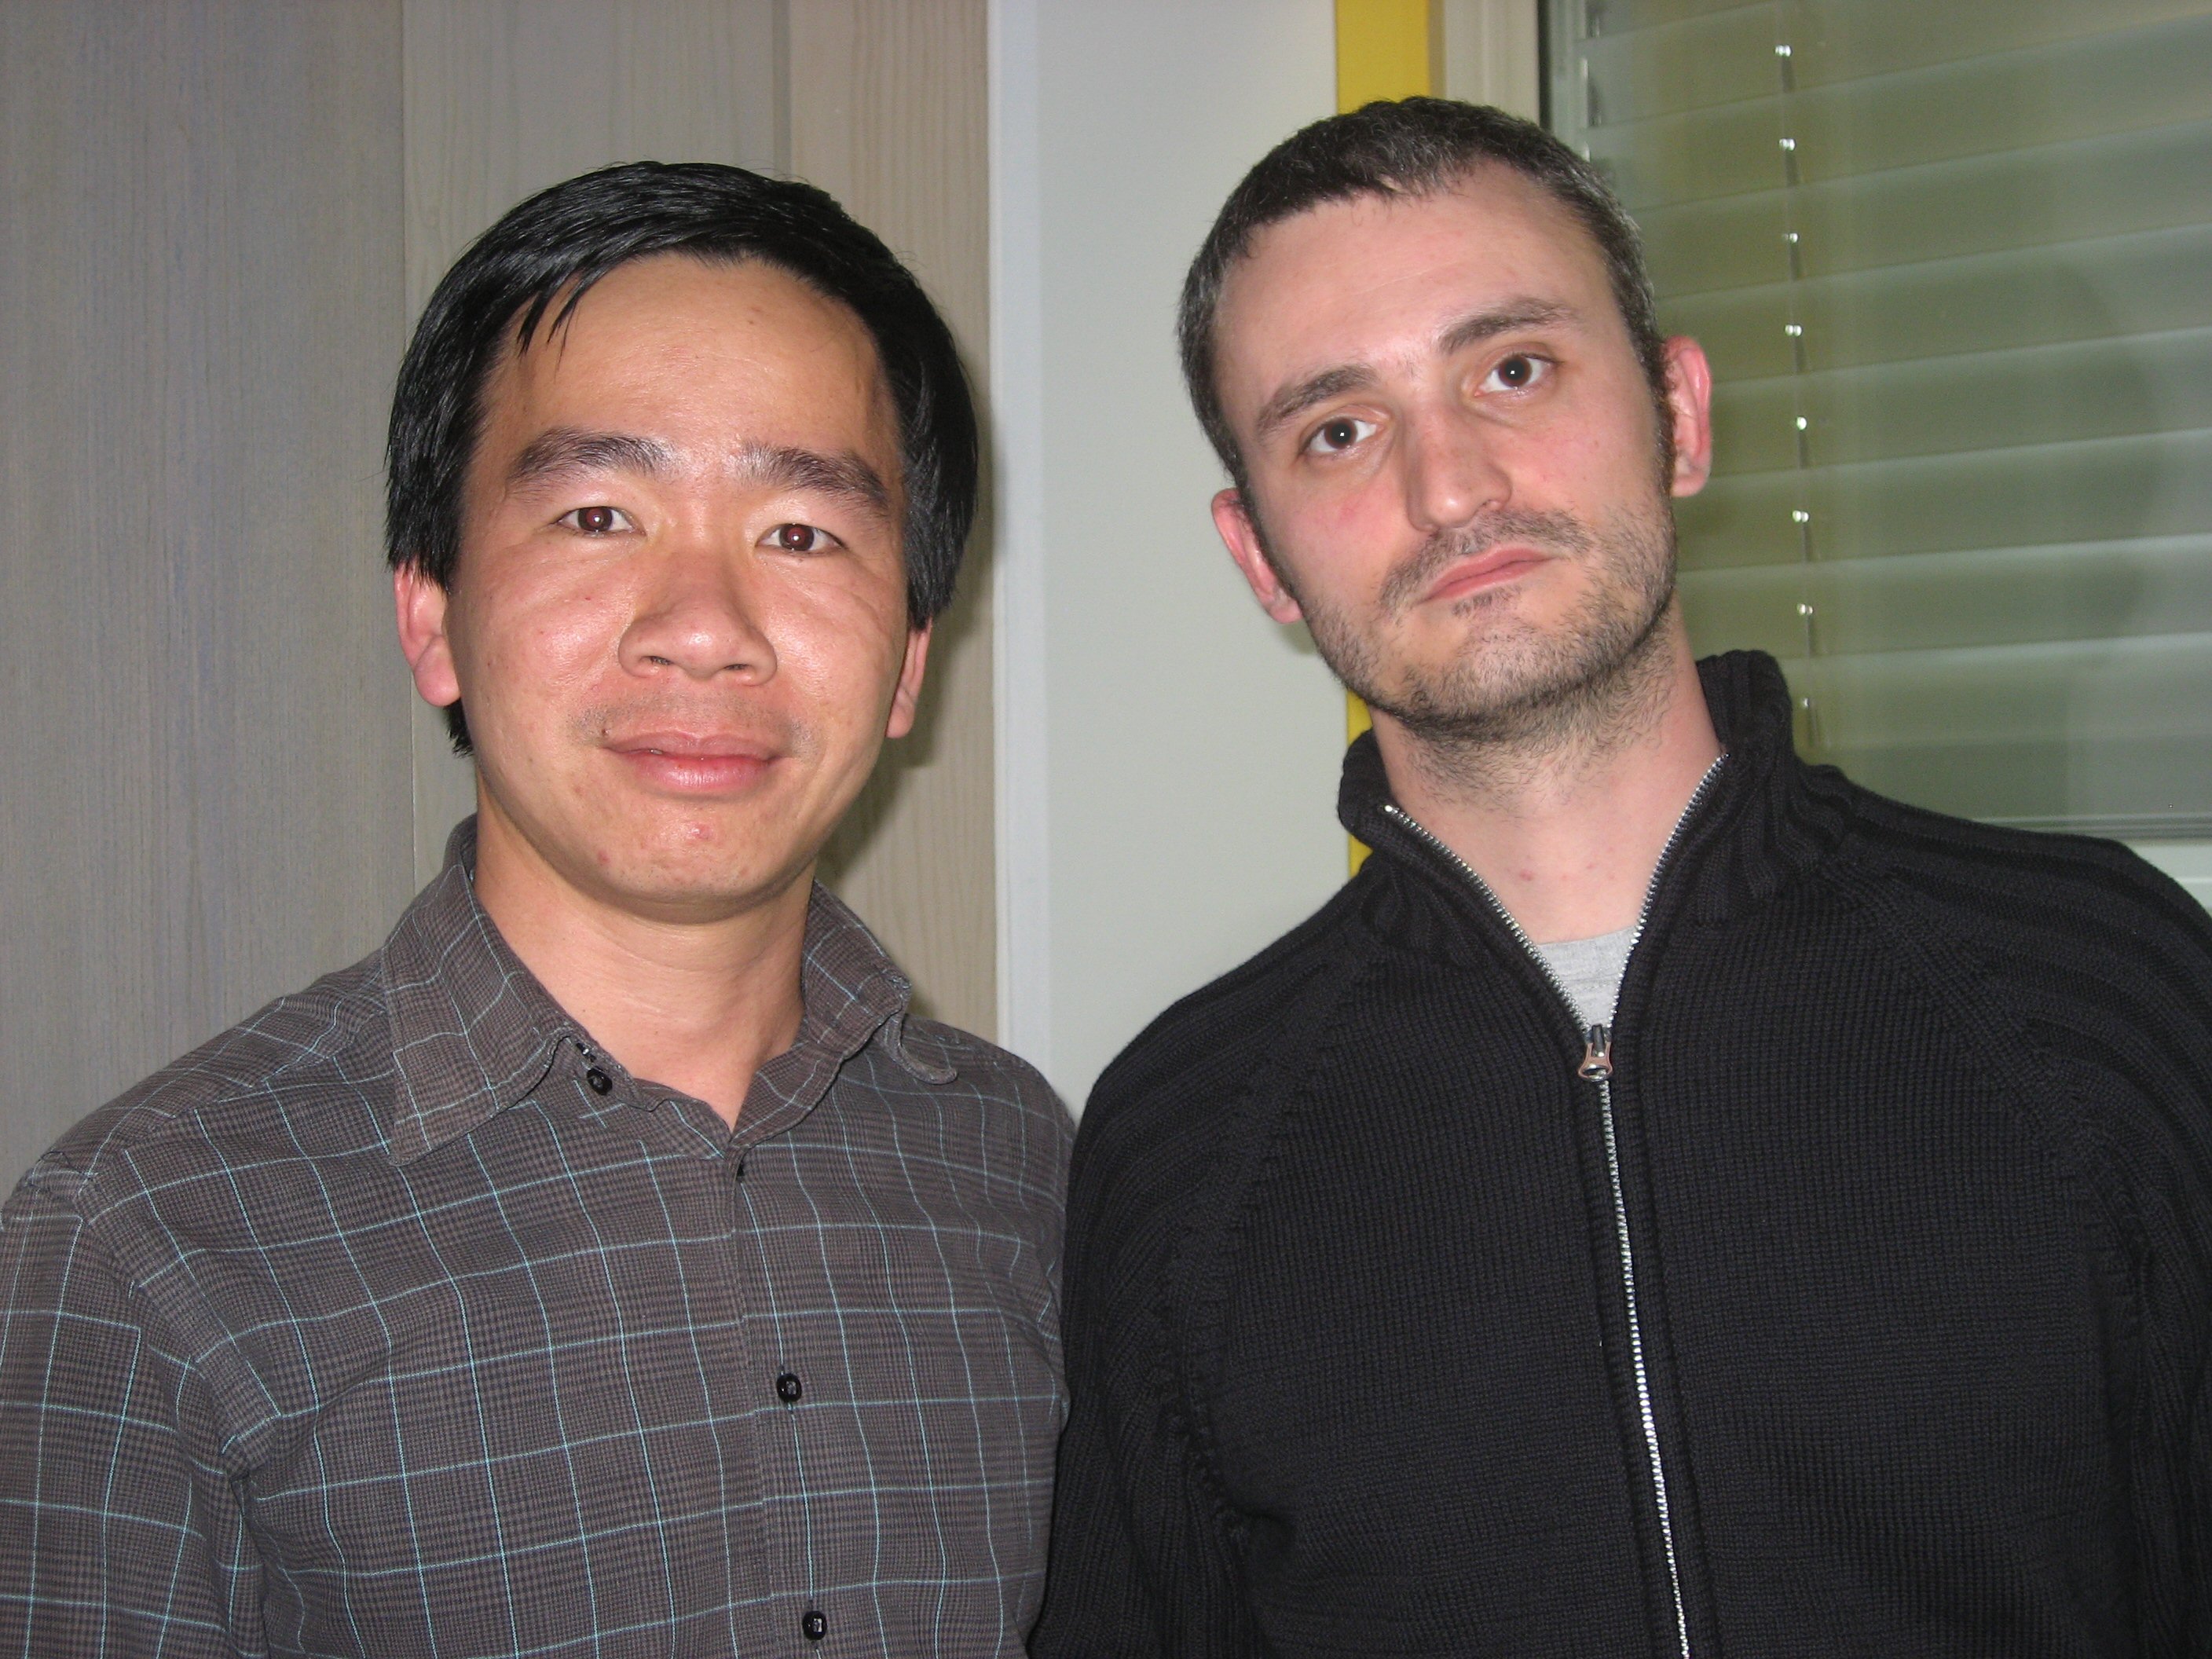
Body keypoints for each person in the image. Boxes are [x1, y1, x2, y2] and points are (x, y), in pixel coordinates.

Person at [1033, 98, 2212, 1657]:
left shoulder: (2105, 986)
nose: (1451, 488)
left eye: (1513, 369)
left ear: (1679, 415)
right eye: (1338, 430)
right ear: (1260, 557)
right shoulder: (1180, 1149)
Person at [0, 162, 1069, 1657]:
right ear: (431, 614)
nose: (704, 629)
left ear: (906, 662)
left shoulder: (1017, 1162)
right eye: (598, 514)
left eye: (801, 534)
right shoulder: (139, 1246)